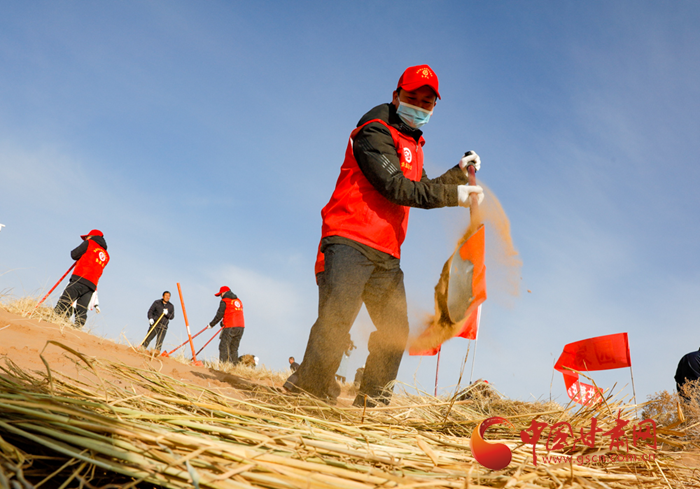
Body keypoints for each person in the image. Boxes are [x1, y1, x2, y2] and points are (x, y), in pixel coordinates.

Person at [284, 65, 484, 406]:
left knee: (395, 329)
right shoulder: (374, 131)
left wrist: (457, 174)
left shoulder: (413, 143)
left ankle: (372, 400)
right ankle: (307, 393)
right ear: (396, 96)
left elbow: (420, 189)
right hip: (349, 238)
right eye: (412, 98)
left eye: (427, 102)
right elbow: (396, 188)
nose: (419, 106)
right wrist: (457, 197)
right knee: (337, 319)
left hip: (387, 252)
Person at [54, 229, 110, 328]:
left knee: (65, 301)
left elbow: (74, 254)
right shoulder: (106, 255)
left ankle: (52, 320)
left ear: (91, 236)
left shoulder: (89, 243)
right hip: (92, 284)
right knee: (82, 310)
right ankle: (78, 328)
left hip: (80, 277)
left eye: (86, 237)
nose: (85, 239)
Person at [207, 286, 245, 365]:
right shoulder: (238, 301)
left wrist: (211, 324)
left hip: (230, 327)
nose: (220, 296)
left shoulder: (224, 301)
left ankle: (223, 366)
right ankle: (234, 367)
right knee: (233, 348)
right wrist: (223, 322)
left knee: (223, 347)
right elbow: (233, 313)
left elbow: (219, 314)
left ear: (224, 293)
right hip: (241, 327)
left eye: (220, 294)